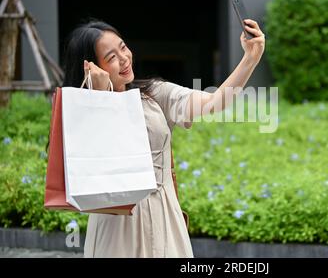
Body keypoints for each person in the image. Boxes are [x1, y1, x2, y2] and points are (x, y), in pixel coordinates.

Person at [61, 18, 265, 257]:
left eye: (123, 47)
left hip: (163, 214)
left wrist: (250, 58)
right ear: (91, 67)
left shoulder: (154, 93)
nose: (124, 58)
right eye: (111, 57)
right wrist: (99, 99)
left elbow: (213, 103)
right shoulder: (82, 112)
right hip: (115, 222)